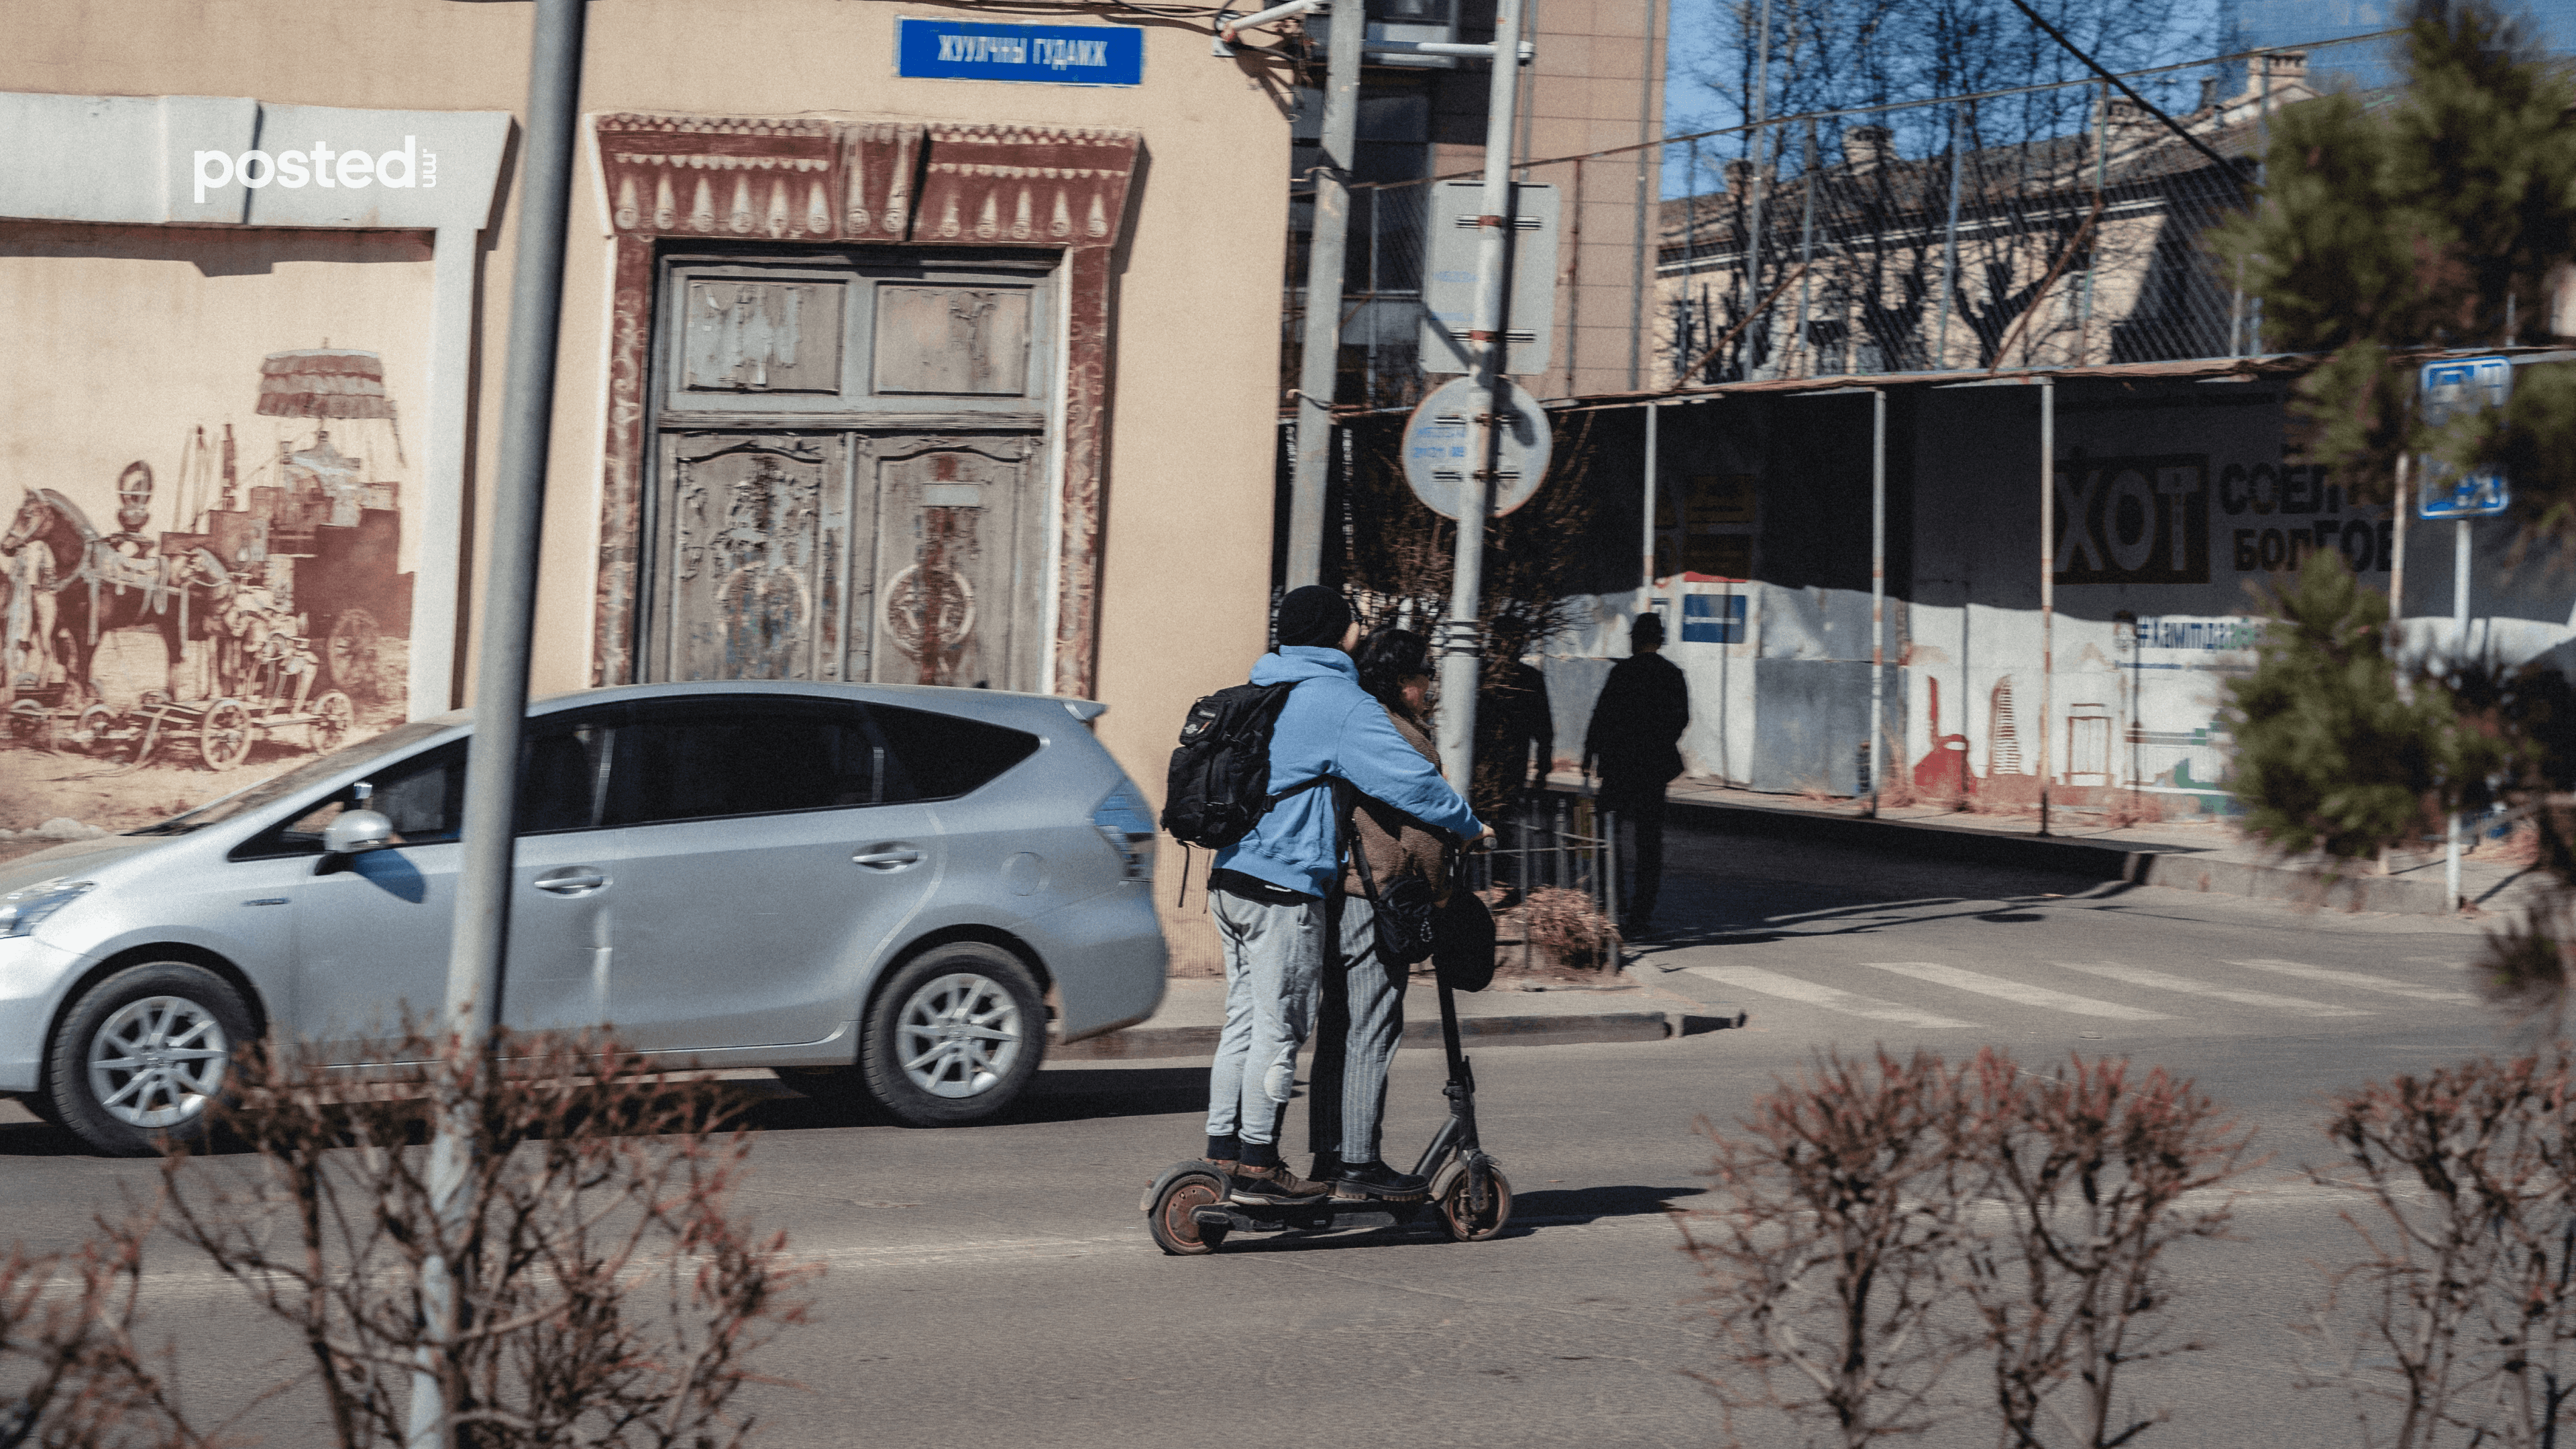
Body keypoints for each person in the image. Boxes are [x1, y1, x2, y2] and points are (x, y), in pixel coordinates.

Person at [1202, 587, 1489, 1203]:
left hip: (1229, 876)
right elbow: (1414, 786)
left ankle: (1223, 1151)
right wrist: (1469, 825)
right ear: (1338, 633)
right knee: (1281, 1028)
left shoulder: (1266, 685)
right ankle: (1259, 1166)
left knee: (1244, 1023)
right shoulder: (1338, 701)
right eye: (1351, 620)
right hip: (1284, 883)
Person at [1308, 627, 1454, 1198]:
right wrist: (1440, 895)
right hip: (1377, 899)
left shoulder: (1349, 724)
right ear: (1401, 681)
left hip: (1334, 895)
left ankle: (1328, 1155)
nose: (1429, 687)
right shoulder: (1406, 740)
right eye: (1424, 676)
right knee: (1372, 1030)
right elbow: (1425, 835)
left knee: (1337, 1029)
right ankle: (1359, 1164)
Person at [1581, 612, 1689, 936]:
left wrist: (1589, 753)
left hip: (1619, 765)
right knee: (1649, 841)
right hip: (1653, 769)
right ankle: (1642, 912)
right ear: (1660, 640)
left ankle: (1613, 901)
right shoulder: (1672, 675)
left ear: (1635, 639)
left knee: (1607, 834)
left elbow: (1601, 715)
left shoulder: (1622, 673)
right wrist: (1659, 742)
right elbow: (1681, 719)